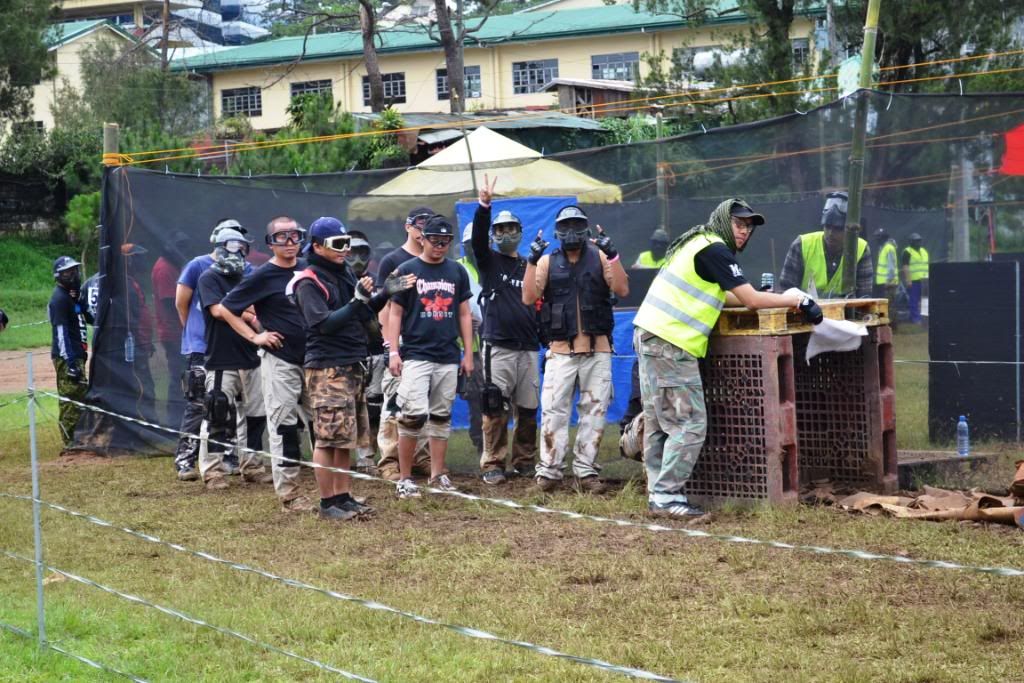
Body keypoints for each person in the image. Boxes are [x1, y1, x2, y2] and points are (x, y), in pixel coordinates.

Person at [633, 199, 821, 517]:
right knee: (689, 424)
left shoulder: (699, 242)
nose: (745, 232)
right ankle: (666, 497)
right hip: (671, 343)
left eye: (749, 227)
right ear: (723, 221)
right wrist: (795, 299)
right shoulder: (715, 249)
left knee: (658, 423)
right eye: (739, 224)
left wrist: (775, 299)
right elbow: (749, 300)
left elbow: (729, 296)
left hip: (653, 336)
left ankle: (657, 494)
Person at [291, 217, 416, 519]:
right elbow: (323, 324)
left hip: (351, 364)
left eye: (346, 243)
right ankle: (327, 503)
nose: (344, 250)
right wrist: (357, 300)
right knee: (327, 437)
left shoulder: (344, 273)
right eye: (337, 245)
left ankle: (343, 496)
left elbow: (361, 313)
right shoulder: (308, 280)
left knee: (345, 437)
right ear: (317, 246)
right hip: (327, 369)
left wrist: (386, 292)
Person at [522, 205, 629, 493]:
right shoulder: (546, 262)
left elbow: (622, 290)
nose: (572, 232)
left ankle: (586, 472)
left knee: (594, 412)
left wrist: (614, 254)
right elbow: (529, 297)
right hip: (560, 351)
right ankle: (549, 472)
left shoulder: (601, 257)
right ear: (557, 231)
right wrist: (531, 260)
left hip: (599, 350)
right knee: (554, 412)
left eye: (577, 226)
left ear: (586, 229)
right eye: (566, 226)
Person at [221, 216, 314, 512]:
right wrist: (255, 336)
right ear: (270, 243)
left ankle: (334, 490)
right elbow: (226, 308)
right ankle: (290, 494)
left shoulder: (309, 270)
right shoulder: (263, 275)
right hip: (281, 360)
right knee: (284, 426)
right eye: (282, 237)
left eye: (294, 236)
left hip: (315, 358)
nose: (289, 242)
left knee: (322, 425)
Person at [387, 215, 474, 499]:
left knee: (440, 416)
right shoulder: (407, 269)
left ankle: (438, 475)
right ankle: (405, 478)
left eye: (445, 241)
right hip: (416, 354)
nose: (439, 246)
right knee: (411, 416)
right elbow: (395, 312)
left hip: (448, 354)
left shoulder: (456, 272)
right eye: (435, 240)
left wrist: (468, 353)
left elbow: (464, 313)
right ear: (422, 238)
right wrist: (394, 351)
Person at [172, 220, 256, 481]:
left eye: (241, 242)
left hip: (236, 345)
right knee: (201, 404)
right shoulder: (199, 266)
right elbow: (181, 303)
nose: (237, 249)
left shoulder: (248, 269)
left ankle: (229, 456)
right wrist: (197, 333)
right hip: (202, 346)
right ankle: (185, 459)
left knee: (230, 406)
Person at [470, 176, 540, 485]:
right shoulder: (489, 262)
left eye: (511, 229)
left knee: (528, 408)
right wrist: (484, 206)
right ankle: (493, 463)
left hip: (527, 347)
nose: (506, 234)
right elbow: (476, 242)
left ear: (520, 233)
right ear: (493, 234)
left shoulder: (530, 265)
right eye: (499, 229)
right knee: (494, 406)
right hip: (497, 345)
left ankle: (524, 461)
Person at [195, 229, 277, 491]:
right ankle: (213, 470)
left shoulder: (247, 277)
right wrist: (247, 314)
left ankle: (251, 465)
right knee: (217, 412)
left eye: (242, 248)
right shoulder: (209, 278)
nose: (238, 253)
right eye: (232, 248)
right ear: (220, 249)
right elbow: (220, 311)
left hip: (252, 357)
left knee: (255, 416)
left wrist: (247, 314)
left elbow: (256, 309)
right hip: (222, 357)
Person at [375, 207, 433, 480]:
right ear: (408, 227)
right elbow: (384, 305)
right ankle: (389, 461)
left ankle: (420, 457)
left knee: (421, 406)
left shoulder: (435, 260)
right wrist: (390, 345)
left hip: (426, 345)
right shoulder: (393, 260)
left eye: (429, 225)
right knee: (394, 404)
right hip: (400, 344)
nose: (424, 230)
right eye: (420, 224)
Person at [778, 191, 873, 298]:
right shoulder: (801, 244)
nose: (830, 233)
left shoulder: (861, 249)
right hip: (803, 312)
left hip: (844, 313)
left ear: (850, 229)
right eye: (827, 226)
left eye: (838, 228)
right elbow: (785, 291)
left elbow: (864, 297)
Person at [345, 229, 384, 474]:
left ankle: (367, 454)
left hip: (375, 351)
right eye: (352, 253)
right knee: (346, 406)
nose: (357, 259)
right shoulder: (338, 280)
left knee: (373, 405)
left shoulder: (376, 282)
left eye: (362, 253)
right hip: (347, 353)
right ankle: (336, 458)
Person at [49, 256, 90, 449]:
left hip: (76, 354)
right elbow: (60, 332)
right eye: (68, 272)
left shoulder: (70, 296)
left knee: (80, 396)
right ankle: (70, 443)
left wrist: (79, 301)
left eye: (74, 271)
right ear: (59, 276)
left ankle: (80, 439)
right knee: (69, 400)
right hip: (68, 357)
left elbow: (83, 317)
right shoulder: (59, 299)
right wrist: (71, 362)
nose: (73, 275)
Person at [151, 231, 191, 407]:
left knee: (183, 373)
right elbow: (170, 302)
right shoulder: (164, 269)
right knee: (178, 374)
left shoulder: (172, 266)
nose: (183, 251)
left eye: (184, 246)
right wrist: (188, 322)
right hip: (172, 331)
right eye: (180, 247)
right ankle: (176, 413)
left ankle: (181, 410)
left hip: (177, 330)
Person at [457, 222, 485, 458]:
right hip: (472, 348)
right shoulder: (457, 269)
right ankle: (481, 446)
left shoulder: (495, 265)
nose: (475, 249)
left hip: (498, 344)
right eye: (470, 245)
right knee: (476, 400)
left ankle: (503, 449)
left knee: (500, 399)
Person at [902, 232, 929, 324]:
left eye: (919, 241)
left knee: (925, 300)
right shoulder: (907, 251)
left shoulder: (924, 251)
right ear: (911, 242)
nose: (918, 243)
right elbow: (905, 267)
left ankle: (924, 317)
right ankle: (915, 318)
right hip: (914, 280)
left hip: (925, 279)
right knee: (914, 299)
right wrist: (908, 280)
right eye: (916, 241)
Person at [872, 225, 899, 302]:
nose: (876, 239)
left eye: (878, 237)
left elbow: (891, 267)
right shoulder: (882, 248)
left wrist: (889, 281)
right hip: (882, 283)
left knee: (888, 306)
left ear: (883, 238)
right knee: (883, 307)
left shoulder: (889, 248)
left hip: (888, 284)